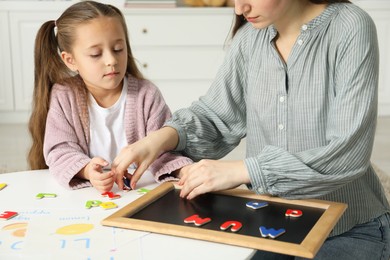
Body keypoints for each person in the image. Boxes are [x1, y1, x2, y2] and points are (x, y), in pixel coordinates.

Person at [111, 0, 390, 259]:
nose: (238, 8)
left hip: (348, 229)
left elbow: (348, 154)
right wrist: (161, 138)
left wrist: (242, 171)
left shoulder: (350, 26)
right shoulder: (249, 39)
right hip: (270, 222)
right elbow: (217, 115)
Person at [28, 1, 192, 192]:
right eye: (96, 54)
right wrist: (87, 170)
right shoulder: (64, 96)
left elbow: (164, 149)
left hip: (140, 192)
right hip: (88, 194)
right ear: (70, 60)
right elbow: (59, 151)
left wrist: (184, 170)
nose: (111, 60)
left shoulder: (146, 95)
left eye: (118, 49)